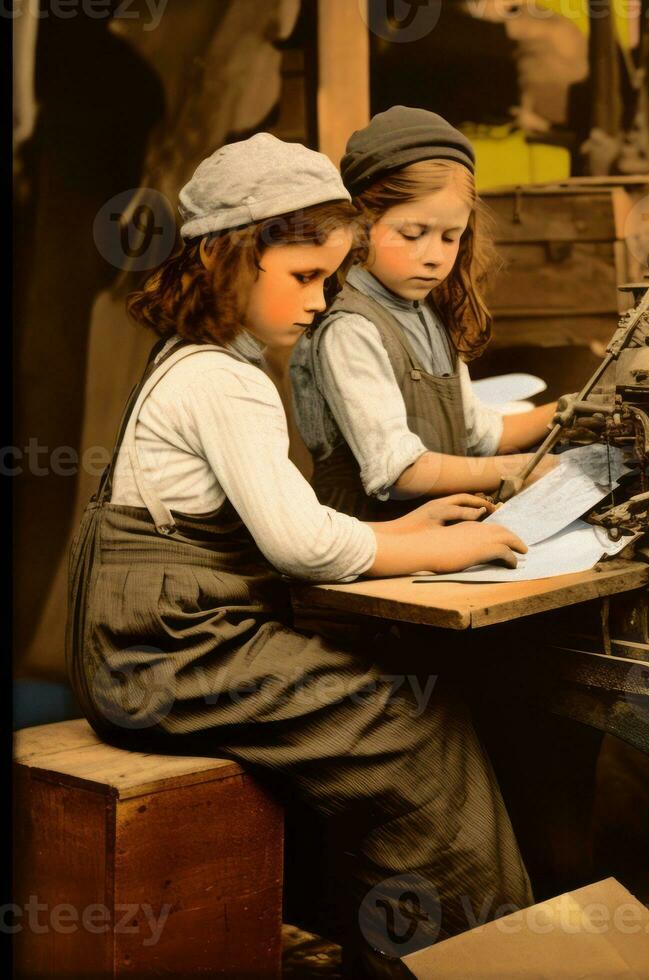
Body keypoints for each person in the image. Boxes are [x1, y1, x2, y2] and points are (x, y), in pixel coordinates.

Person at [66, 133, 533, 977]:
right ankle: (456, 958)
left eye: (330, 276)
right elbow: (301, 546)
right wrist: (451, 545)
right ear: (227, 262)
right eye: (305, 277)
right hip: (167, 655)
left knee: (402, 703)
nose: (323, 300)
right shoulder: (226, 381)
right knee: (414, 727)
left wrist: (407, 532)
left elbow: (290, 523)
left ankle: (411, 942)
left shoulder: (206, 361)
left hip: (168, 643)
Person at [291, 106, 557, 520]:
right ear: (360, 226)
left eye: (451, 237)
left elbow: (479, 435)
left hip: (441, 532)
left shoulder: (428, 313)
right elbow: (399, 472)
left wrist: (571, 411)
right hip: (374, 542)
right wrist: (519, 469)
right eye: (413, 234)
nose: (434, 256)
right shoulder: (350, 329)